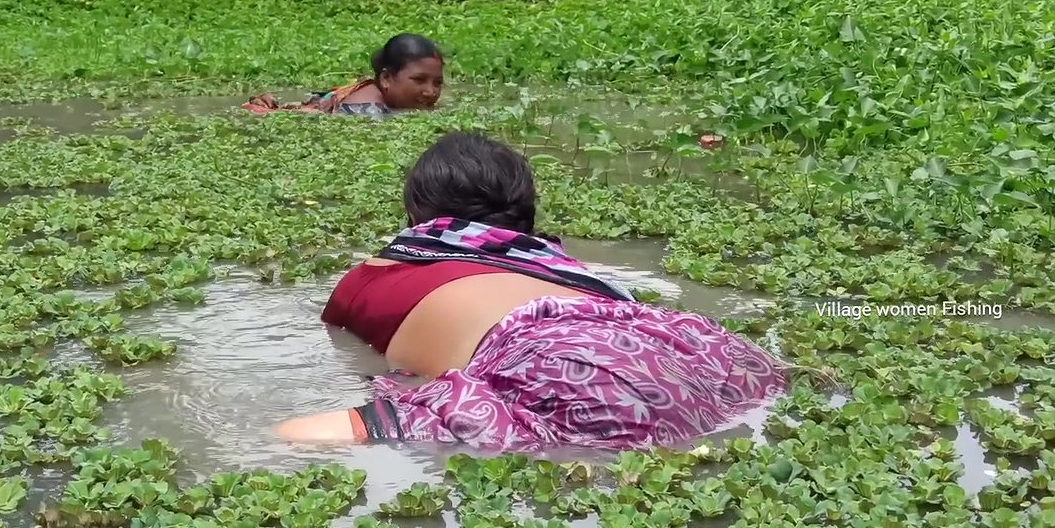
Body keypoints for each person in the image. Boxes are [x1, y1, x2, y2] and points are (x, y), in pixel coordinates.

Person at [274, 131, 793, 451]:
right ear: (525, 219)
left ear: (415, 218)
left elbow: (344, 339)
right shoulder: (563, 269)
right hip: (699, 352)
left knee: (290, 437)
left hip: (559, 366)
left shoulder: (373, 276)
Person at [242, 34, 444, 117]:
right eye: (419, 80)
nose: (431, 91)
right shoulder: (368, 111)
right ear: (386, 79)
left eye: (438, 83)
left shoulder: (388, 100)